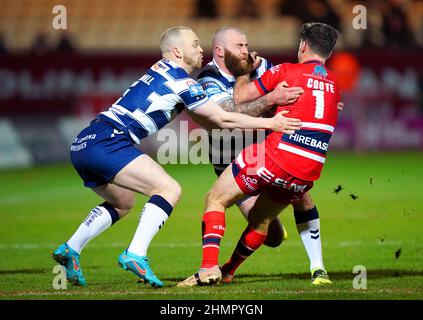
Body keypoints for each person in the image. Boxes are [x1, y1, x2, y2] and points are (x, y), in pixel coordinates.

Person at [51, 26, 302, 288]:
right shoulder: (183, 82)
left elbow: (212, 122)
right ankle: (136, 253)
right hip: (109, 141)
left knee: (123, 202)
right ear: (177, 51)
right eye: (194, 44)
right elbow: (222, 118)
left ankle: (71, 248)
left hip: (84, 142)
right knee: (168, 188)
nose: (200, 48)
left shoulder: (160, 71)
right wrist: (271, 123)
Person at [178, 22, 340, 287]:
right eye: (239, 46)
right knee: (270, 227)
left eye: (246, 45)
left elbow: (253, 93)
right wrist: (272, 99)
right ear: (219, 51)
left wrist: (268, 92)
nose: (246, 50)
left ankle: (210, 269)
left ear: (303, 47)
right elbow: (228, 114)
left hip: (264, 157)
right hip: (242, 159)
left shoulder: (269, 67)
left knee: (217, 200)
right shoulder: (208, 78)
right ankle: (231, 271)